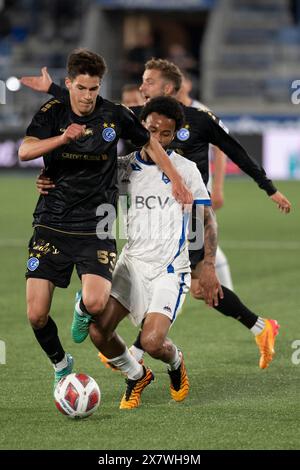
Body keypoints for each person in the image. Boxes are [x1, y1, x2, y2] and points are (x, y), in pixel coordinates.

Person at [21, 58, 291, 370]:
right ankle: (257, 327)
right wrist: (55, 92)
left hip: (189, 212)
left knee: (197, 283)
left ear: (167, 88)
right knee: (197, 287)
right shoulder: (142, 116)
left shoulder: (200, 118)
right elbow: (96, 105)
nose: (141, 87)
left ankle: (144, 350)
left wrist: (265, 188)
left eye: (148, 81)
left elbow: (232, 151)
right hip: (161, 211)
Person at [19, 49, 192, 390]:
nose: (87, 96)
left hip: (96, 226)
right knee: (36, 314)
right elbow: (25, 150)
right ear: (68, 84)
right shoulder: (52, 113)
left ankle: (82, 309)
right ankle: (61, 363)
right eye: (81, 88)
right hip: (51, 222)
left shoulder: (114, 115)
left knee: (97, 302)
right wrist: (63, 138)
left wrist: (175, 178)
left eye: (94, 89)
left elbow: (151, 145)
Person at [88, 96, 220, 409]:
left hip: (168, 270)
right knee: (98, 331)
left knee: (151, 341)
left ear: (175, 136)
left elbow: (207, 221)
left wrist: (209, 265)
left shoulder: (186, 170)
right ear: (141, 127)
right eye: (152, 130)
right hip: (131, 263)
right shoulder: (123, 168)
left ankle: (175, 362)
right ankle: (136, 374)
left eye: (166, 134)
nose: (158, 138)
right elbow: (84, 180)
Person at [176, 72, 233, 290]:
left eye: (182, 81)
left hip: (197, 191)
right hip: (171, 190)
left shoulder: (202, 112)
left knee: (203, 241)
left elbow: (221, 147)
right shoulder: (165, 110)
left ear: (189, 85)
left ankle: (224, 294)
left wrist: (217, 187)